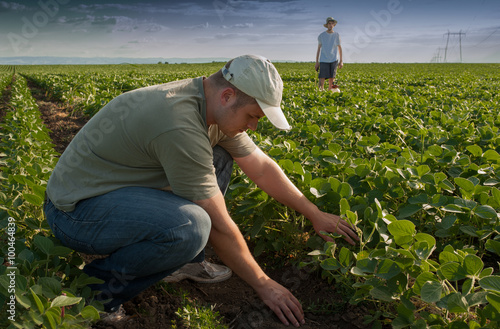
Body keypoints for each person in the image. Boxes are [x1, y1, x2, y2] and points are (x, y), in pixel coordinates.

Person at [43, 54, 358, 327]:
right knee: (192, 227)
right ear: (228, 96)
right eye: (252, 116)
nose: (253, 127)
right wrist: (264, 284)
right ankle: (95, 294)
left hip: (113, 189)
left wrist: (314, 213)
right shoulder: (179, 123)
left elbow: (260, 166)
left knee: (220, 157)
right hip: (75, 212)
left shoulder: (210, 104)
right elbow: (218, 226)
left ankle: (189, 262)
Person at [315, 17, 343, 91]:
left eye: (332, 24)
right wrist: (317, 62)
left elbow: (340, 48)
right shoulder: (321, 36)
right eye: (329, 24)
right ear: (327, 25)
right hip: (323, 59)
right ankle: (320, 94)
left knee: (332, 78)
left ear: (334, 25)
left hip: (334, 59)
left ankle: (330, 93)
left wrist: (341, 61)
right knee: (321, 78)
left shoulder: (337, 35)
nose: (331, 25)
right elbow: (318, 49)